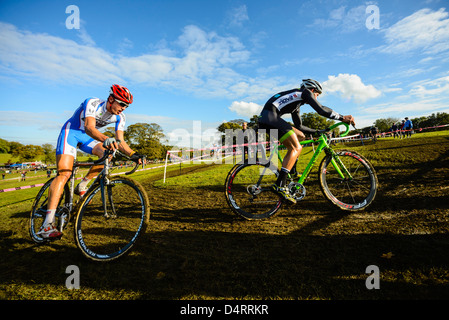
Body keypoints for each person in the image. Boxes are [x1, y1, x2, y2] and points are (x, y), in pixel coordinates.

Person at [37, 84, 143, 239]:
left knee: (109, 153)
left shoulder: (121, 117)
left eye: (127, 106)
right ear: (111, 99)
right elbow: (89, 127)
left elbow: (120, 141)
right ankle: (47, 224)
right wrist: (106, 139)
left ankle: (83, 183)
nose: (123, 108)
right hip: (71, 132)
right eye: (122, 104)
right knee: (64, 173)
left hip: (87, 138)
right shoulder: (93, 103)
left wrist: (134, 154)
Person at [258, 79, 355, 204]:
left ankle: (292, 173)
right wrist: (342, 117)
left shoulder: (296, 103)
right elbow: (321, 109)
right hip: (270, 118)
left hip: (267, 119)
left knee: (300, 136)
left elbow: (299, 126)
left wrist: (317, 131)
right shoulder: (304, 92)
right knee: (296, 148)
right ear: (313, 90)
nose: (316, 98)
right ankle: (280, 185)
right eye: (317, 95)